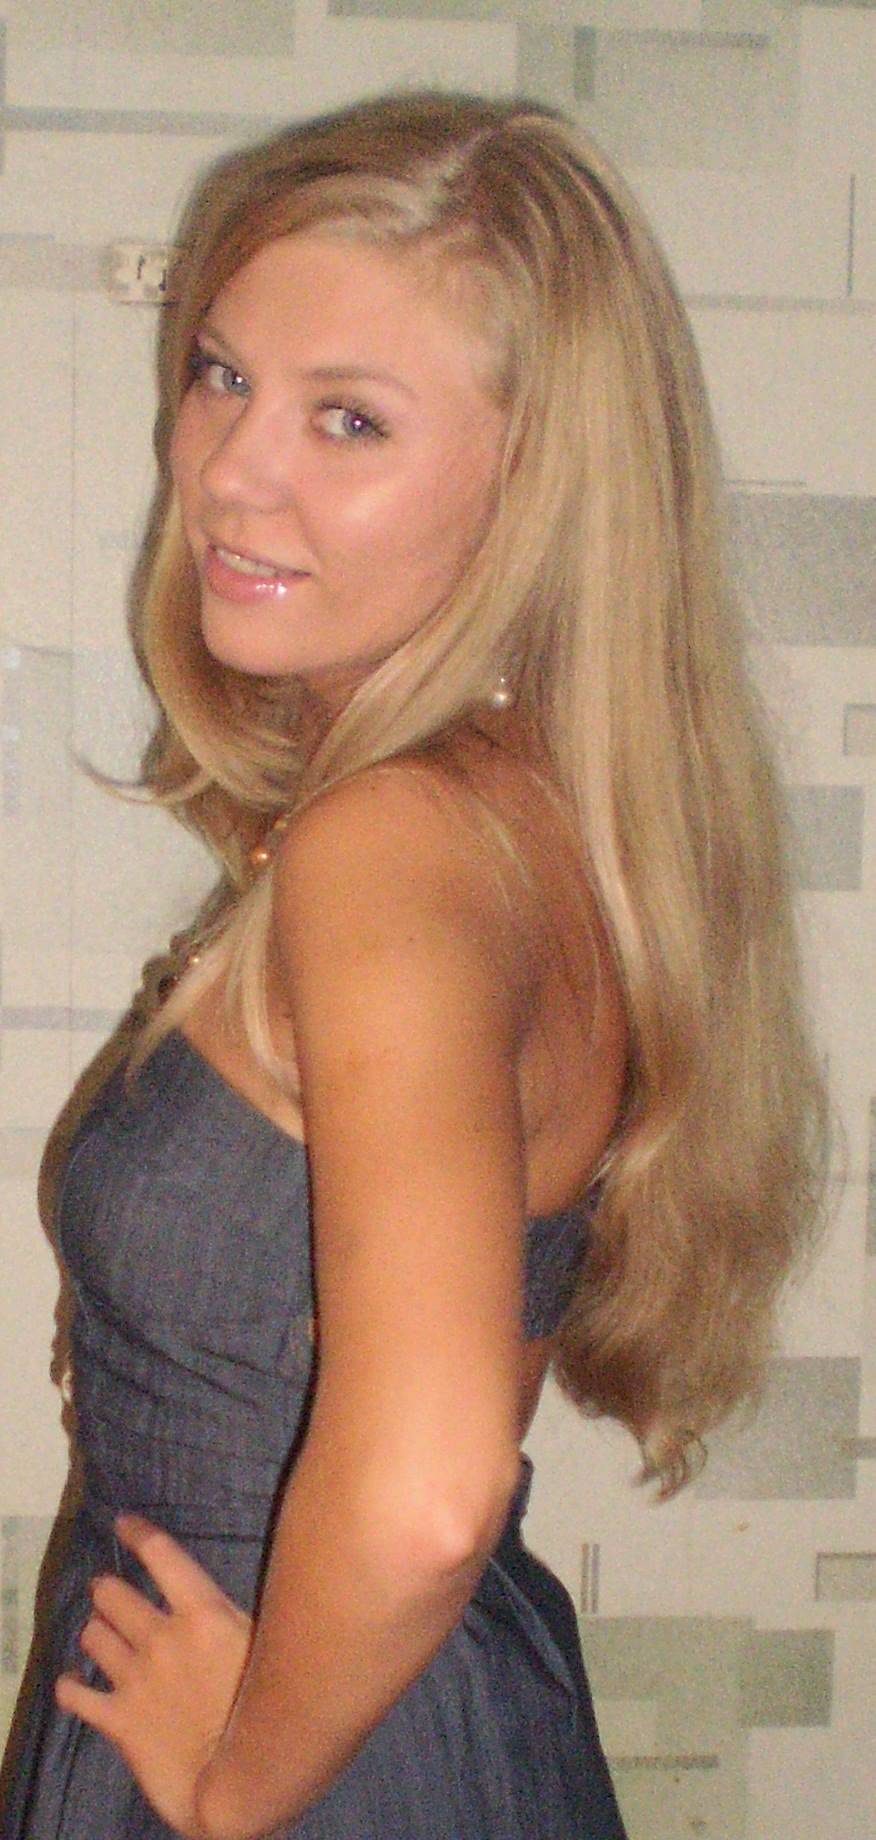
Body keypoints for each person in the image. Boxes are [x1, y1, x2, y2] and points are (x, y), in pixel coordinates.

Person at [0, 92, 826, 1840]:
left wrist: (233, 1789)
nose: (230, 470)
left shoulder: (395, 844)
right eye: (220, 374)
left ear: (538, 490)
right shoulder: (528, 829)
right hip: (397, 1709)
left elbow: (433, 1488)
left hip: (296, 1739)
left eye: (348, 418)